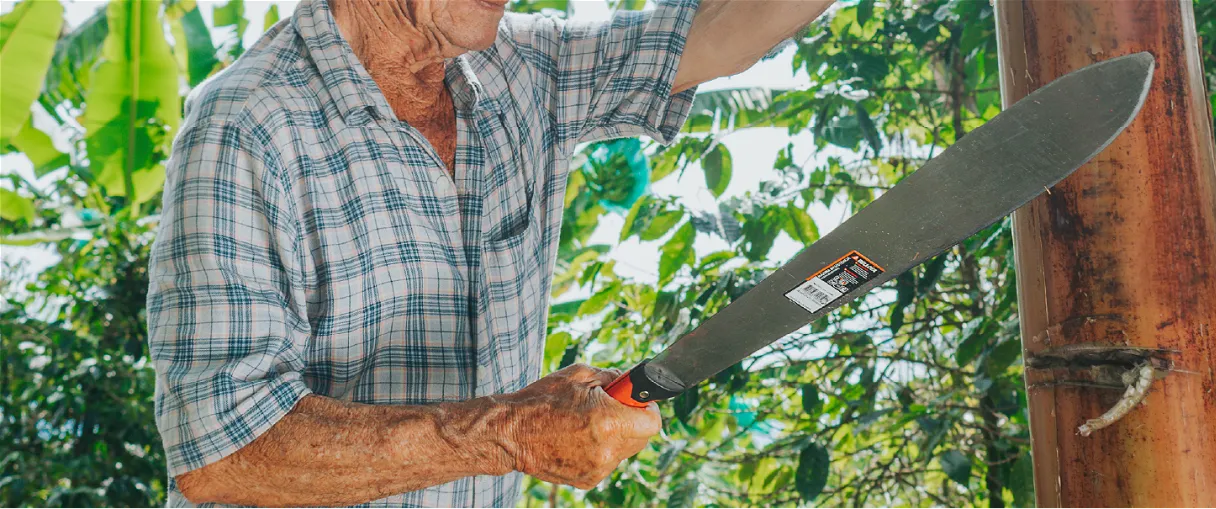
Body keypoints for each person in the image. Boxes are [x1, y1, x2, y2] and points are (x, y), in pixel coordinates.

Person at [146, 0, 831, 506]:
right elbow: (227, 454)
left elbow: (722, 31)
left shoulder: (522, 70)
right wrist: (508, 431)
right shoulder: (246, 123)